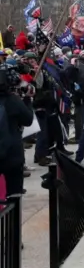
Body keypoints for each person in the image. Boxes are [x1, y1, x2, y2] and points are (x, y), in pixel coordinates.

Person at [0, 63, 35, 197]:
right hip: (12, 155)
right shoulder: (13, 101)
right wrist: (27, 99)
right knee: (14, 195)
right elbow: (28, 120)